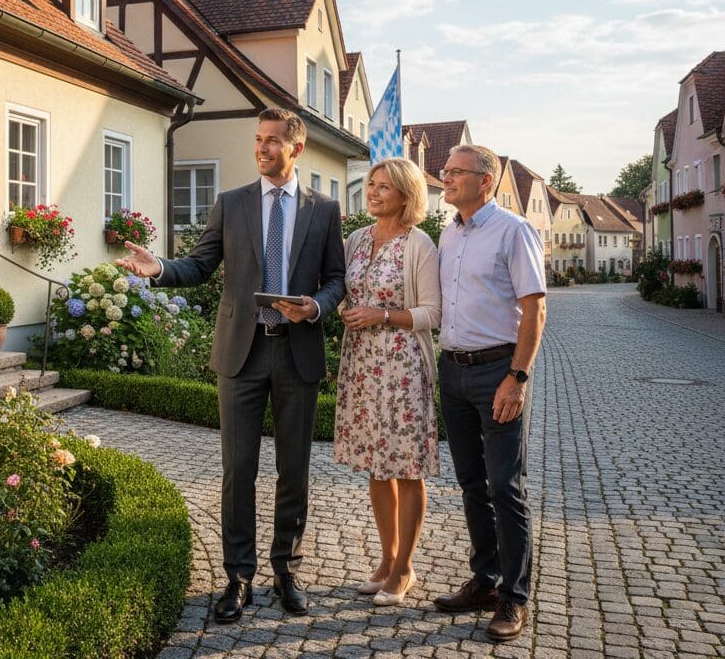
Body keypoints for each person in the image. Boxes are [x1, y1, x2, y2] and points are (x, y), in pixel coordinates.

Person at [117, 108, 345, 624]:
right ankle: (237, 577)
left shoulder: (324, 210)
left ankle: (287, 569)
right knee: (237, 470)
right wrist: (158, 268)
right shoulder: (231, 203)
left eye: (271, 142)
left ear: (296, 149)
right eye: (257, 140)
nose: (261, 149)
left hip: (296, 350)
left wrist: (315, 306)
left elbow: (336, 278)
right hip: (240, 352)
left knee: (294, 470)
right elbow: (199, 265)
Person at [433, 144, 546, 643]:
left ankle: (514, 597)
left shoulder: (513, 231)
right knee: (471, 483)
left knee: (505, 486)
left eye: (455, 172)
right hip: (452, 372)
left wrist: (517, 378)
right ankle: (484, 579)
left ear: (485, 180)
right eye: (445, 172)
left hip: (497, 370)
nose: (445, 178)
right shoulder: (449, 232)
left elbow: (535, 308)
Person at [334, 158, 440, 607]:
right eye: (371, 185)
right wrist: (340, 309)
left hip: (402, 368)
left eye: (384, 187)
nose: (373, 192)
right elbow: (341, 292)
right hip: (362, 364)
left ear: (405, 195)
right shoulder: (356, 240)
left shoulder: (420, 244)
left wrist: (380, 315)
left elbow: (433, 314)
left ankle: (405, 568)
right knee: (378, 466)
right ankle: (386, 559)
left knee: (406, 467)